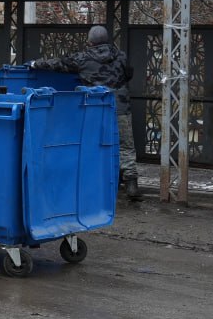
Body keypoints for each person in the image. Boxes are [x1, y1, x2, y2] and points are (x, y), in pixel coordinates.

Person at [31, 25, 141, 199]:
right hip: (119, 107)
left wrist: (35, 63)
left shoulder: (82, 58)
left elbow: (57, 63)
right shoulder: (121, 56)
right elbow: (128, 74)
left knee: (94, 145)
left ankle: (98, 183)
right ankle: (131, 184)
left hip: (94, 110)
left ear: (90, 41)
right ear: (107, 39)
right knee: (125, 146)